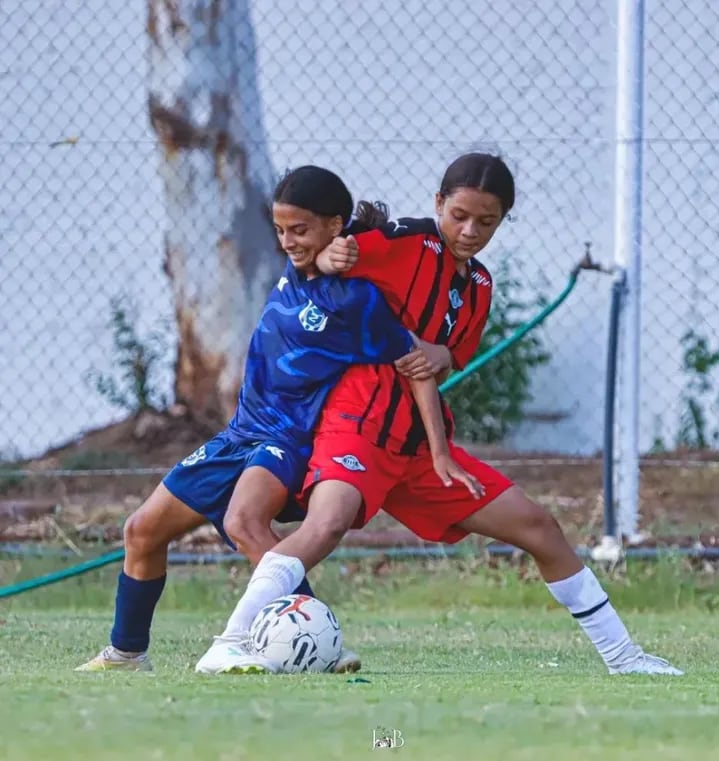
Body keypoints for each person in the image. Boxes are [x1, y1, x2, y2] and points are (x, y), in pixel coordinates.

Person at [203, 153, 683, 677]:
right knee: (327, 525)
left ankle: (624, 658)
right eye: (459, 215)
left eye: (486, 221)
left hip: (422, 448)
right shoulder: (403, 243)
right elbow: (323, 258)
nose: (470, 230)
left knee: (539, 527)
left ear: (502, 220)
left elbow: (453, 352)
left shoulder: (478, 286)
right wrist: (330, 257)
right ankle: (228, 642)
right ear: (438, 204)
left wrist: (446, 358)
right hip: (357, 425)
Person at [77, 165, 479, 675]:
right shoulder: (300, 267)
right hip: (240, 434)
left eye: (300, 230)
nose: (287, 241)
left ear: (335, 225)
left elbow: (416, 367)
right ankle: (126, 654)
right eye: (280, 229)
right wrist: (326, 251)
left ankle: (318, 640)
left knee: (243, 521)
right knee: (141, 531)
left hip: (287, 438)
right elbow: (330, 249)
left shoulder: (357, 300)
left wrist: (440, 449)